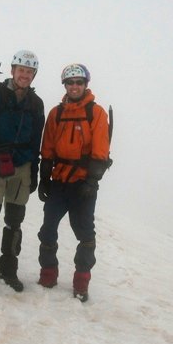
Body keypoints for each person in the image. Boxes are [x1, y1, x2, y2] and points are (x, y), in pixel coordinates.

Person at [0, 50, 45, 295]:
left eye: (29, 71)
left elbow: (36, 141)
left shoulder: (36, 103)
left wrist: (34, 171)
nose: (25, 75)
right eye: (21, 70)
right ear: (12, 71)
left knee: (15, 221)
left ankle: (7, 269)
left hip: (22, 167)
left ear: (34, 75)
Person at [37, 63, 111, 302]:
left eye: (79, 82)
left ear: (85, 84)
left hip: (82, 184)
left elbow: (101, 149)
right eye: (70, 83)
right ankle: (48, 272)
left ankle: (82, 280)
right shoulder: (56, 114)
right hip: (59, 180)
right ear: (65, 85)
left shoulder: (96, 113)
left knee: (85, 233)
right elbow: (47, 147)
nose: (75, 86)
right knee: (48, 229)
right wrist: (44, 178)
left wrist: (92, 180)